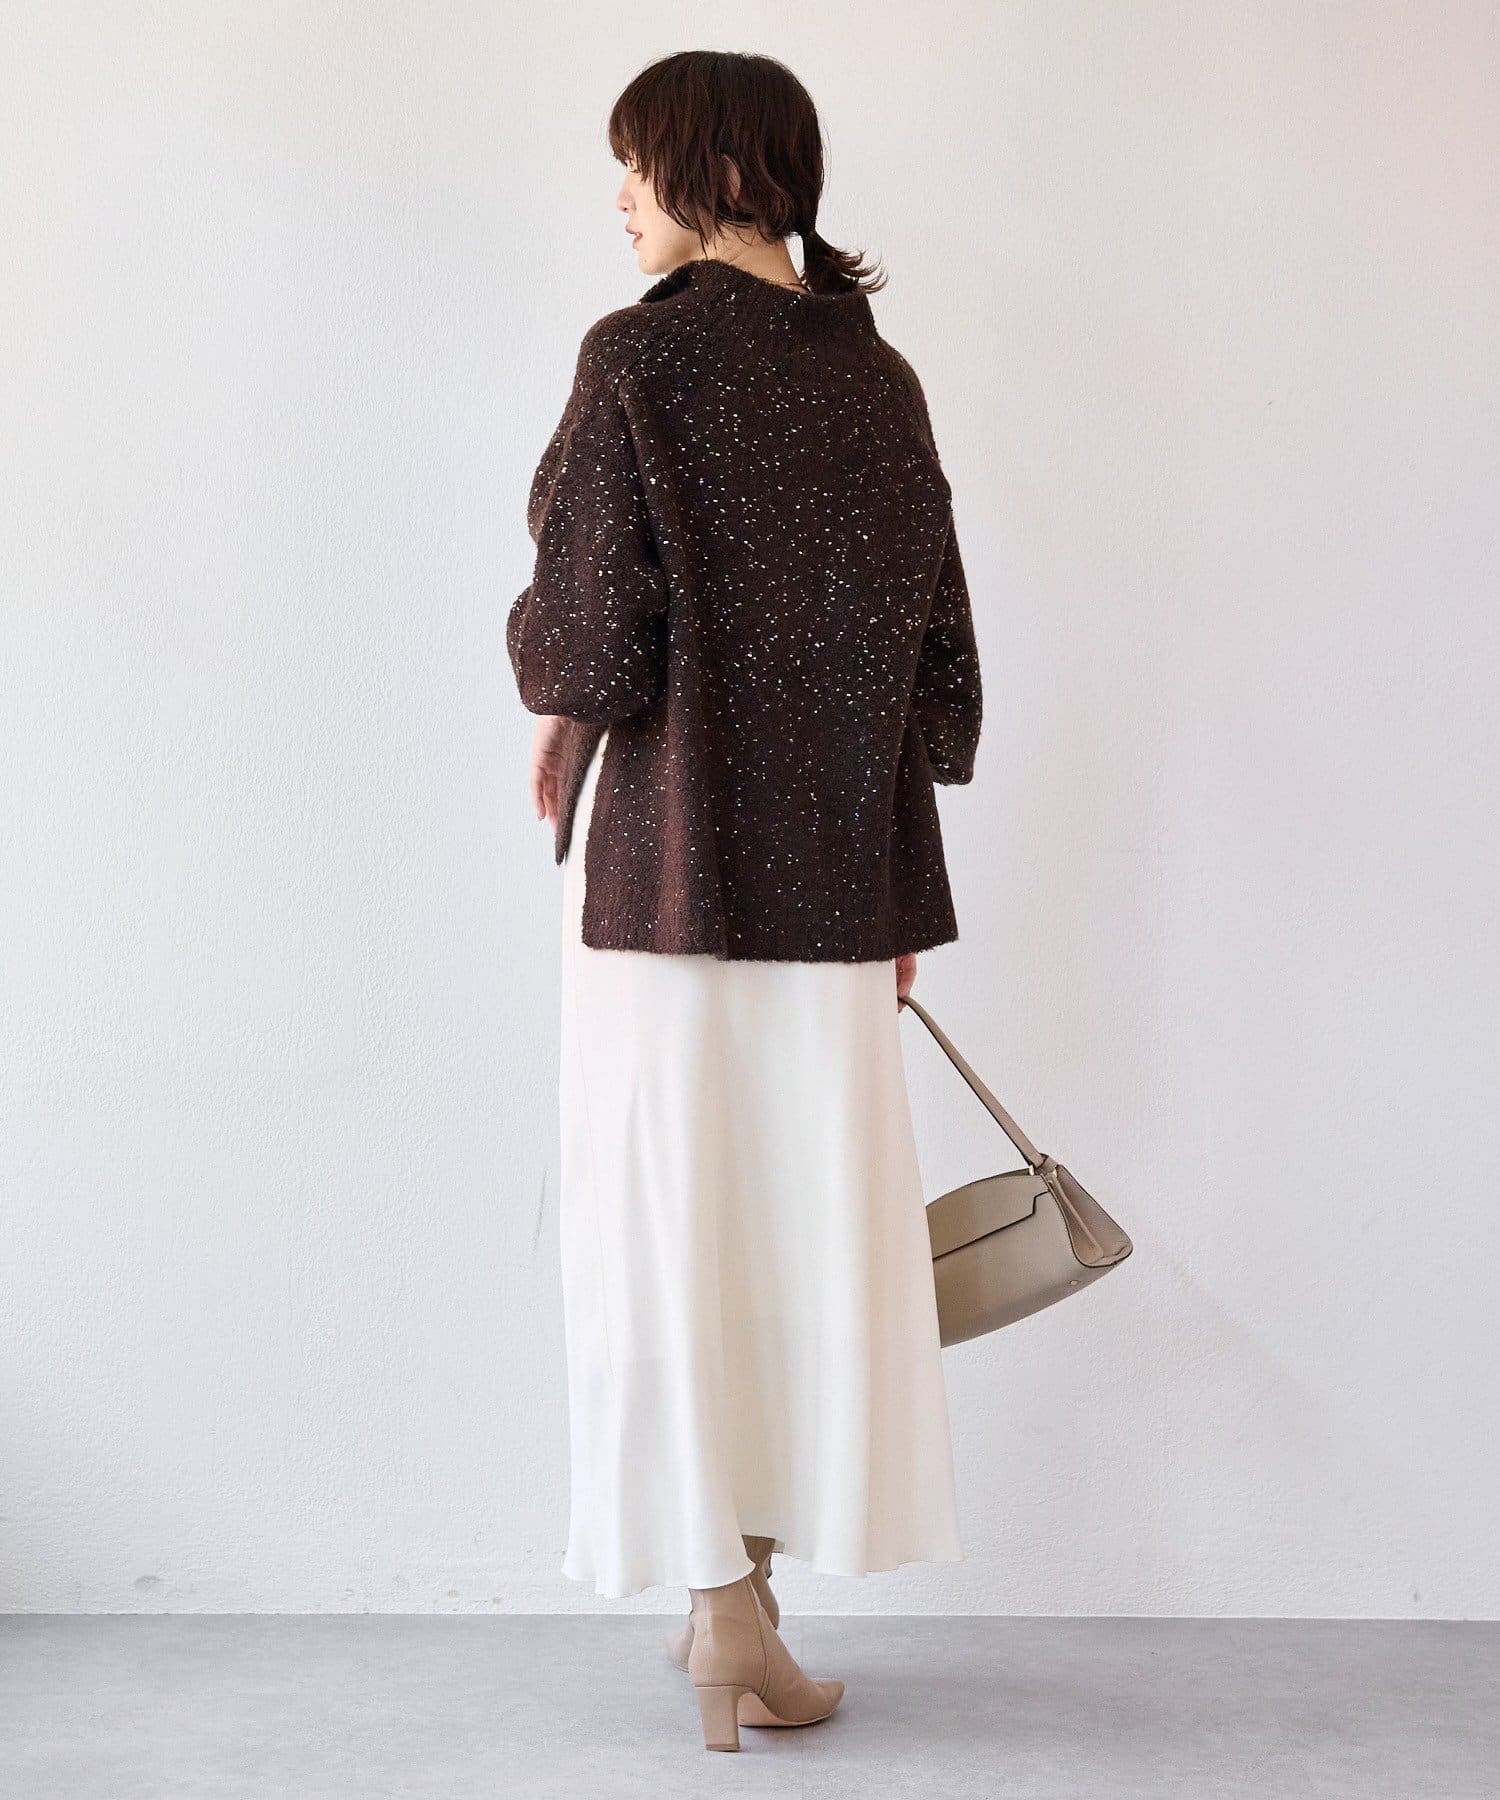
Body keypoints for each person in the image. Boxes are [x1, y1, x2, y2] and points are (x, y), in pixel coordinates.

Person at [506, 49, 983, 1752]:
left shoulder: (636, 357)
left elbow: (589, 638)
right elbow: (937, 661)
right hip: (841, 888)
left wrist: (558, 700)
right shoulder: (882, 377)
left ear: (708, 171)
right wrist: (887, 875)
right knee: (802, 1231)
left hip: (663, 884)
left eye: (633, 164)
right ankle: (754, 1611)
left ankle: (721, 1611)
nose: (618, 197)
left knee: (667, 1226)